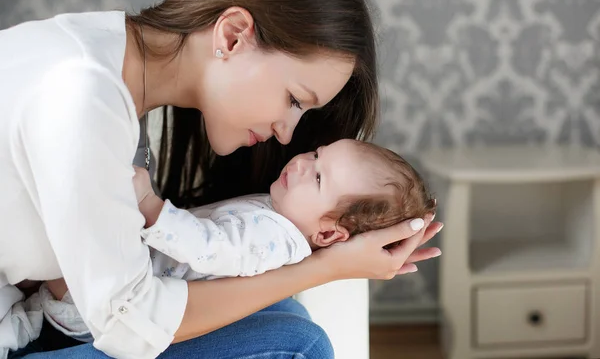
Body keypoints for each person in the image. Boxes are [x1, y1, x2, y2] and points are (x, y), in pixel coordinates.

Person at [0, 0, 443, 358]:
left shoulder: (102, 61)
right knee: (298, 345)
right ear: (232, 36)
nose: (288, 133)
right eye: (293, 99)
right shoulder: (83, 95)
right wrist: (325, 267)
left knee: (281, 309)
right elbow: (127, 326)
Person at [40, 138, 438, 342]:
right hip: (108, 293)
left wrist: (149, 205)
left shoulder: (277, 238)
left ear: (330, 234)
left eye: (318, 178)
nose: (302, 164)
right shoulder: (283, 212)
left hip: (101, 299)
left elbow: (209, 247)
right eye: (317, 155)